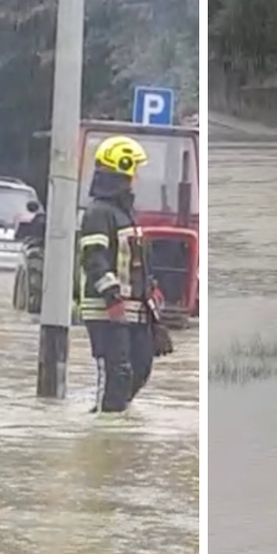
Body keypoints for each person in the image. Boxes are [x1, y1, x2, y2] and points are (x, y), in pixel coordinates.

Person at [78, 135, 166, 413]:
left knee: (141, 366)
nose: (137, 176)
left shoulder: (124, 213)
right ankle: (105, 431)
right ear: (123, 166)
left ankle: (115, 417)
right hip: (108, 310)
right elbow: (94, 259)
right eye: (134, 169)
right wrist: (111, 296)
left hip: (134, 308)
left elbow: (134, 259)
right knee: (117, 374)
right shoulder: (98, 213)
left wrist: (150, 289)